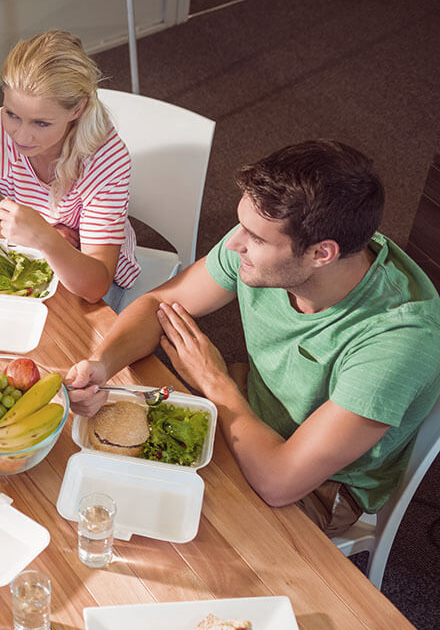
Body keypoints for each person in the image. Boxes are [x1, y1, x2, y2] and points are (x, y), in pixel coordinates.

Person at [66, 140, 440, 535]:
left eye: (256, 238)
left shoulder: (398, 341)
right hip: (247, 406)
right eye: (243, 224)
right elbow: (160, 304)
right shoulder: (271, 238)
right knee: (99, 475)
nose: (233, 243)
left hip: (318, 486)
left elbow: (280, 482)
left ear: (321, 254)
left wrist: (213, 381)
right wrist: (102, 364)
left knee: (145, 519)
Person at [0, 30, 140, 310]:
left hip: (89, 274)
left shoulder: (107, 158)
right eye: (12, 114)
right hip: (34, 249)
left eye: (41, 123)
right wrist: (30, 235)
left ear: (77, 110)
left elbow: (95, 285)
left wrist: (43, 238)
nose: (21, 136)